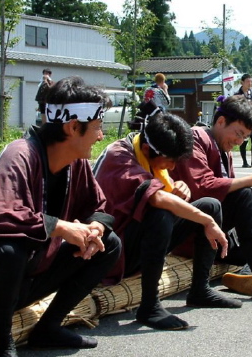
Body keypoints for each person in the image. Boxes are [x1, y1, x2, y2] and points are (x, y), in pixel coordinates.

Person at [0, 76, 122, 357]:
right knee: (8, 249)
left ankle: (48, 327)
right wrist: (62, 228)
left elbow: (99, 206)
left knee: (110, 242)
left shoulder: (75, 162)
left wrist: (94, 228)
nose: (100, 136)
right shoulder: (20, 155)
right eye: (96, 126)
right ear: (72, 126)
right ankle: (2, 349)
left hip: (28, 279)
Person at [93, 112, 241, 331]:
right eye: (171, 161)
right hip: (110, 251)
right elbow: (157, 197)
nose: (172, 168)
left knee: (210, 205)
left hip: (136, 242)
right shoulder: (118, 156)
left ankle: (200, 290)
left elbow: (165, 188)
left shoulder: (149, 152)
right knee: (160, 213)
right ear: (146, 150)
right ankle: (149, 306)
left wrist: (182, 189)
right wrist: (206, 221)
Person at [170, 95, 252, 306]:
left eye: (245, 138)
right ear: (221, 121)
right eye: (238, 133)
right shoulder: (195, 138)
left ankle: (245, 277)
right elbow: (203, 188)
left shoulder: (225, 151)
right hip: (191, 232)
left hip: (219, 238)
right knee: (246, 195)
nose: (239, 141)